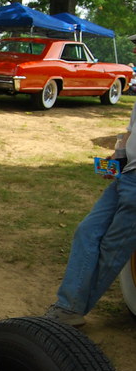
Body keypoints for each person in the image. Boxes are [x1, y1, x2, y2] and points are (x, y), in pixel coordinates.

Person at [45, 59, 136, 326]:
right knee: (87, 231)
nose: (134, 49)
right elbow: (131, 131)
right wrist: (117, 156)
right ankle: (69, 308)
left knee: (112, 249)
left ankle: (70, 310)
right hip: (125, 175)